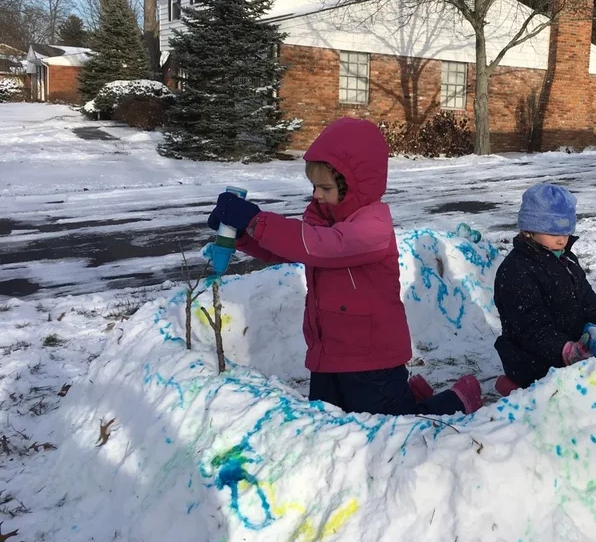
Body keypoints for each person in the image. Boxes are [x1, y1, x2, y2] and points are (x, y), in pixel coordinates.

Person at [205, 118, 482, 416]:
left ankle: (456, 399)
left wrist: (256, 221)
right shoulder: (324, 218)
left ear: (355, 185)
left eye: (325, 187)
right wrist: (244, 235)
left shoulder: (373, 226)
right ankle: (407, 395)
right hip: (328, 353)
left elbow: (322, 245)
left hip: (372, 358)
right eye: (314, 186)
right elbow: (295, 248)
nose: (316, 195)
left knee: (392, 428)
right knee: (330, 424)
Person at [492, 183, 596, 395]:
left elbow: (588, 300)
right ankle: (518, 389)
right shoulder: (516, 271)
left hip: (575, 349)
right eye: (552, 231)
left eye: (566, 230)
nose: (561, 238)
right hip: (532, 359)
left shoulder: (566, 260)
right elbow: (530, 326)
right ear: (529, 230)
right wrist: (566, 350)